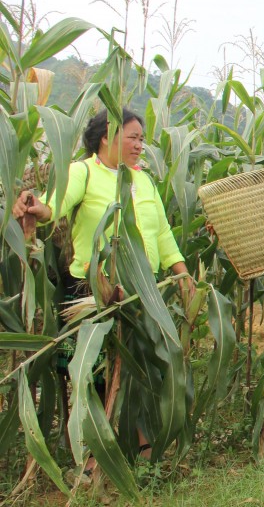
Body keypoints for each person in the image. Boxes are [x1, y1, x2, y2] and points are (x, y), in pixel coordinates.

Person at [12, 107, 192, 467]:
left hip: (142, 289)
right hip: (94, 289)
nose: (141, 145)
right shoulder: (84, 172)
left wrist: (183, 274)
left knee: (145, 369)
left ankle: (143, 450)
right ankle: (94, 455)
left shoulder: (143, 181)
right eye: (134, 137)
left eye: (142, 139)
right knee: (92, 373)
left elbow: (162, 233)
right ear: (107, 137)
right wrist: (36, 208)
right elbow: (55, 205)